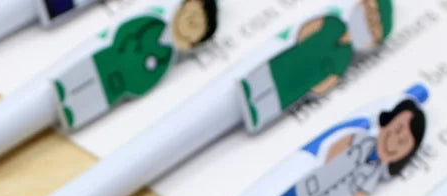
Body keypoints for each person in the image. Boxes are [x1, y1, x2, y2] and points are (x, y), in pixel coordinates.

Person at [267, 94, 427, 196]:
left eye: (403, 142)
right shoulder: (361, 139)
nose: (395, 140)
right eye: (397, 129)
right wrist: (328, 167)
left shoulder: (374, 175)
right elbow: (337, 147)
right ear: (387, 121)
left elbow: (360, 195)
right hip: (318, 179)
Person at [55, 0, 218, 130]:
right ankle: (63, 88)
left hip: (118, 85)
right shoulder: (152, 23)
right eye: (192, 13)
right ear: (182, 7)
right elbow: (125, 30)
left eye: (198, 25)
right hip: (108, 57)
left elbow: (146, 83)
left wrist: (132, 86)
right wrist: (124, 43)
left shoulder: (166, 59)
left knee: (93, 100)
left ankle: (72, 114)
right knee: (79, 75)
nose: (192, 20)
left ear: (193, 42)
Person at [240, 0, 393, 132]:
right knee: (260, 81)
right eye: (368, 13)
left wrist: (311, 86)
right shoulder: (334, 23)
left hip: (299, 84)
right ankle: (248, 89)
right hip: (288, 61)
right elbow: (306, 30)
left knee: (271, 102)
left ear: (372, 43)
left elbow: (328, 82)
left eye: (373, 28)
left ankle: (257, 114)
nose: (366, 23)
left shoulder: (344, 58)